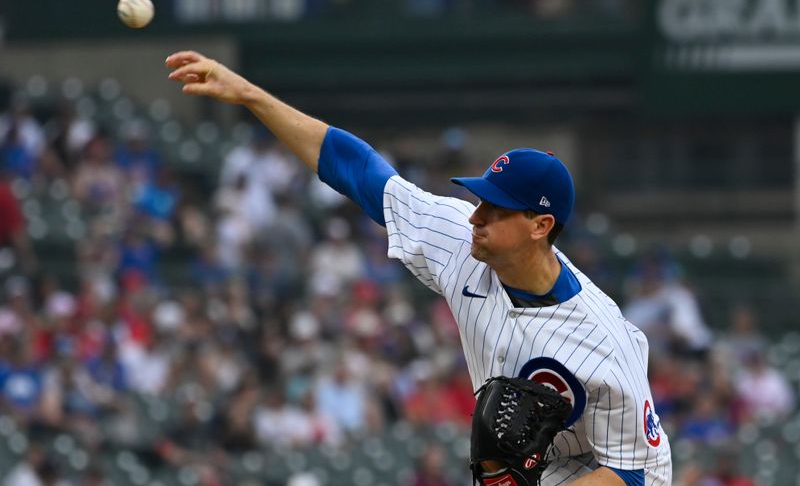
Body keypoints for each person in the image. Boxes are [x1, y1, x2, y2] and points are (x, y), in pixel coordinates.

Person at [166, 51, 672, 485]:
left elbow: (638, 472)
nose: (476, 216)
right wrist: (252, 95)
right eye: (479, 201)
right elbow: (359, 169)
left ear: (540, 226)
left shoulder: (602, 339)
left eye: (496, 209)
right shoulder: (460, 240)